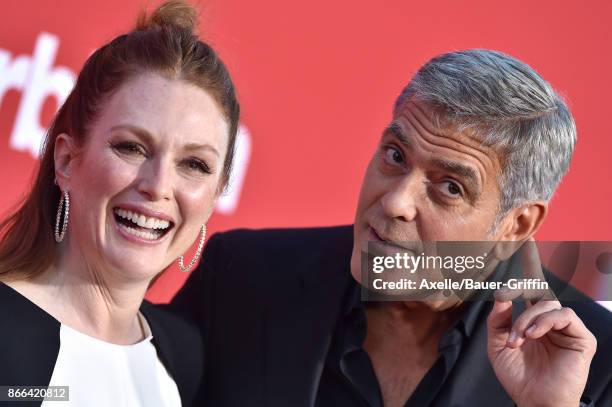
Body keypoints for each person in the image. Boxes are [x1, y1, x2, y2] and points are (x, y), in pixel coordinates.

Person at [172, 49, 611, 406]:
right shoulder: (242, 278)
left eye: (450, 187)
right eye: (396, 156)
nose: (397, 201)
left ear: (517, 225)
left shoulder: (595, 366)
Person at [0, 1, 239, 406]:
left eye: (194, 164)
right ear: (66, 160)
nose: (159, 185)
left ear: (216, 195)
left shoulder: (184, 359)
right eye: (131, 147)